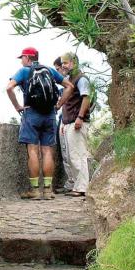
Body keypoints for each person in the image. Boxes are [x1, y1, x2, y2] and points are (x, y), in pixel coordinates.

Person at [6, 47, 73, 200]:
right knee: (47, 152)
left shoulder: (24, 71)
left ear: (28, 58)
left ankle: (35, 190)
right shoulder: (50, 70)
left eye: (22, 57)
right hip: (49, 114)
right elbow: (70, 87)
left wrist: (17, 106)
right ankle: (48, 191)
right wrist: (58, 105)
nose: (22, 60)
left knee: (33, 152)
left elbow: (9, 88)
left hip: (31, 114)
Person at [56, 52, 92, 197]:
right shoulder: (69, 79)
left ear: (73, 63)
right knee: (72, 156)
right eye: (63, 63)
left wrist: (80, 117)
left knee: (78, 155)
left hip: (77, 121)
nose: (63, 66)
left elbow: (86, 98)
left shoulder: (81, 79)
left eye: (65, 63)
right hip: (68, 121)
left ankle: (82, 187)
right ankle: (77, 185)